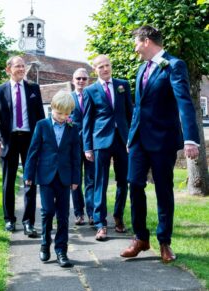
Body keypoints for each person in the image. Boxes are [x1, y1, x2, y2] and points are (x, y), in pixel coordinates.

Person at [120, 25, 199, 263]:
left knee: (163, 190)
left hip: (163, 141)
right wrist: (131, 137)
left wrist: (190, 138)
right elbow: (138, 108)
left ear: (146, 41)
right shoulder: (141, 68)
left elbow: (184, 102)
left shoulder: (174, 65)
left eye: (136, 42)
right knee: (134, 185)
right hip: (138, 142)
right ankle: (140, 238)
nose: (134, 48)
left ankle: (164, 242)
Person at [0, 56, 45, 236]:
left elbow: (41, 117)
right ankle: (9, 220)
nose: (22, 69)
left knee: (30, 181)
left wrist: (44, 140)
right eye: (18, 66)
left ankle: (29, 222)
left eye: (23, 66)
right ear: (8, 69)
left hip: (30, 140)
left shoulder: (33, 89)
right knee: (8, 182)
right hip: (9, 140)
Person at [24, 91, 81, 268]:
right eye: (60, 113)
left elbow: (76, 155)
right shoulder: (41, 126)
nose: (64, 117)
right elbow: (33, 152)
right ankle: (44, 243)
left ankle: (61, 251)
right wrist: (28, 175)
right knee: (47, 212)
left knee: (63, 215)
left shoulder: (73, 128)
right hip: (46, 176)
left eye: (67, 114)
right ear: (53, 109)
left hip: (65, 177)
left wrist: (76, 177)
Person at [83, 54, 133, 241]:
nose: (105, 69)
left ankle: (118, 217)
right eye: (101, 66)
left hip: (122, 141)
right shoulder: (90, 91)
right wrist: (87, 147)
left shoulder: (123, 85)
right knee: (100, 183)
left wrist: (132, 138)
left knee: (123, 181)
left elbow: (131, 113)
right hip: (100, 142)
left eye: (107, 65)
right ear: (95, 70)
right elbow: (87, 121)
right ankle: (100, 224)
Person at [70, 68, 95, 226]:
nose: (81, 81)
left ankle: (92, 214)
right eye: (78, 78)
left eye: (84, 79)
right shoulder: (68, 98)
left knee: (91, 180)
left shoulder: (93, 97)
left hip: (91, 144)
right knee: (75, 180)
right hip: (73, 145)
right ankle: (79, 213)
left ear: (88, 81)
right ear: (73, 80)